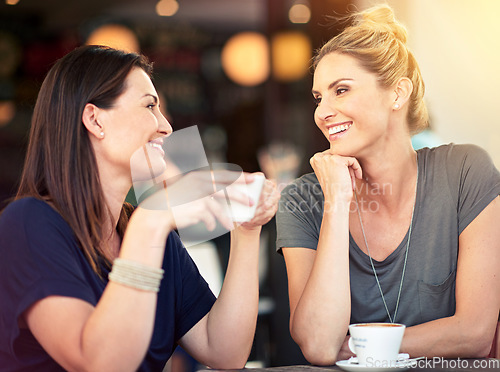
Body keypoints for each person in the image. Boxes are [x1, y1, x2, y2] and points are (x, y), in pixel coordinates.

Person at [0, 45, 280, 372]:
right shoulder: (28, 224)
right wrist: (150, 223)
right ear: (94, 119)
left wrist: (246, 231)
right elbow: (99, 364)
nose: (166, 127)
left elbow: (223, 351)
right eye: (150, 106)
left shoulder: (147, 231)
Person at [276, 4, 500, 365]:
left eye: (341, 90)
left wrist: (360, 346)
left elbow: (474, 332)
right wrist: (336, 202)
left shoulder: (464, 172)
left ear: (397, 93)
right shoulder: (303, 198)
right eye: (319, 97)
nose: (322, 112)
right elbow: (319, 345)